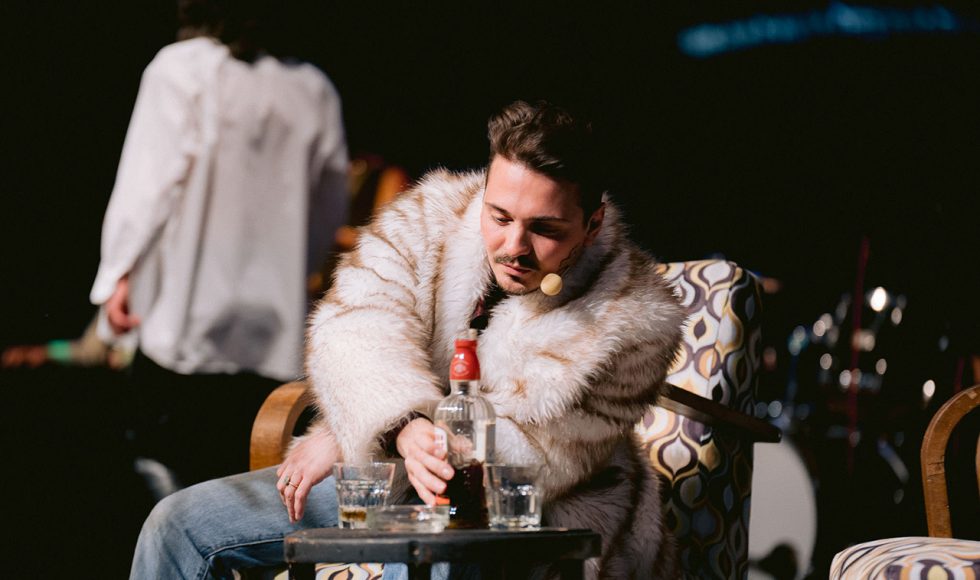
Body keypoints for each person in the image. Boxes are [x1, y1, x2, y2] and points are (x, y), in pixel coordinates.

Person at [130, 100, 684, 579]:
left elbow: (536, 459)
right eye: (499, 216)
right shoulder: (430, 217)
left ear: (592, 223)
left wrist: (384, 437)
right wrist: (390, 423)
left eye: (545, 229)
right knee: (178, 524)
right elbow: (354, 322)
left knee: (435, 551)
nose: (514, 246)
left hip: (525, 513)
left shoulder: (633, 321)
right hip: (383, 476)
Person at [90, 0, 349, 493]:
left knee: (170, 481)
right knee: (244, 485)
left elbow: (147, 188)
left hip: (187, 327)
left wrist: (118, 273)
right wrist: (298, 274)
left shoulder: (182, 69)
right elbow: (329, 208)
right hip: (273, 333)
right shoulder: (312, 88)